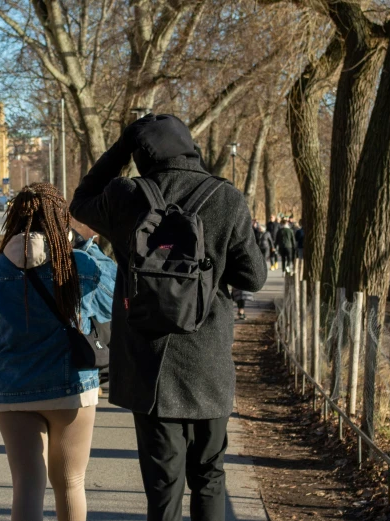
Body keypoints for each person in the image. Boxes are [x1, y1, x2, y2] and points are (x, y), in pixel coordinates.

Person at [70, 114, 267, 521]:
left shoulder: (125, 196)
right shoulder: (225, 198)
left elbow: (80, 202)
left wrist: (119, 151)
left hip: (149, 368)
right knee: (210, 476)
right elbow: (253, 275)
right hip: (207, 362)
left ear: (140, 155)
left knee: (163, 487)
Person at [0, 183, 116, 521]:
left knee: (27, 485)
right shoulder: (80, 266)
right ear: (63, 221)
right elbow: (116, 297)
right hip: (72, 389)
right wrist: (88, 244)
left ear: (13, 219)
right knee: (70, 483)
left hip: (11, 392)